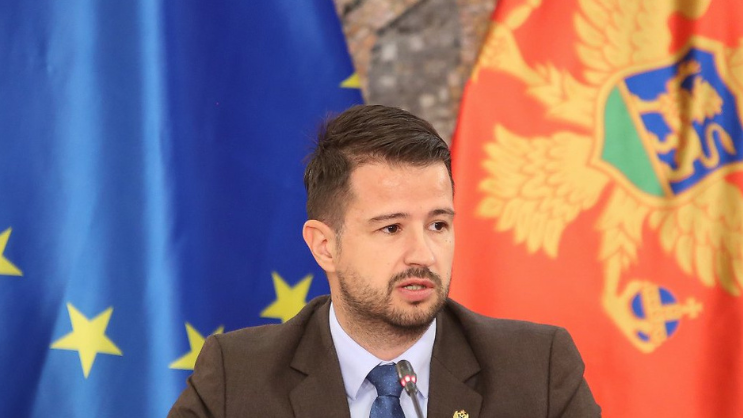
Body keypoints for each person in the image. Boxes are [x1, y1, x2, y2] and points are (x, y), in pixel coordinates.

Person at [168, 105, 601, 417]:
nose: (423, 254)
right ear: (325, 246)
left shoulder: (536, 370)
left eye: (438, 225)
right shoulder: (237, 379)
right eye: (392, 228)